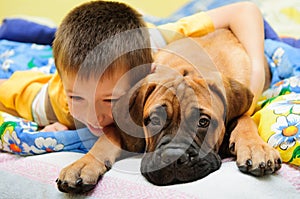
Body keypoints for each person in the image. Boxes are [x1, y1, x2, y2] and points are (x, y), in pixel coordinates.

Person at [0, 0, 265, 137]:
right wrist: (50, 123)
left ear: (146, 74)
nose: (94, 117)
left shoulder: (159, 42)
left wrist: (255, 72)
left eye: (111, 99)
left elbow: (245, 10)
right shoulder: (53, 101)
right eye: (77, 97)